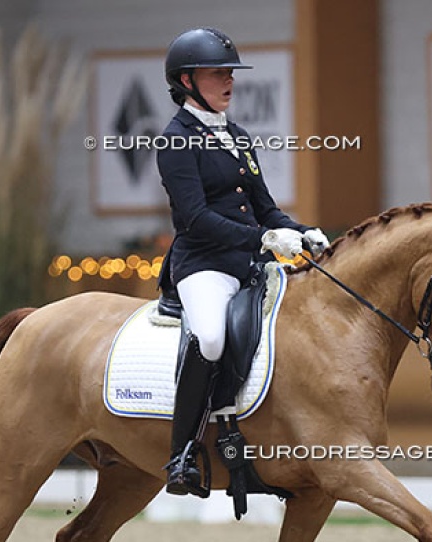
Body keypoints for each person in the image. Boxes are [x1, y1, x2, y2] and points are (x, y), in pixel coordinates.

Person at [157, 27, 330, 496]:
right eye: (218, 74)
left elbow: (264, 207)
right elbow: (195, 219)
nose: (229, 81)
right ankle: (181, 455)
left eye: (230, 73)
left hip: (250, 265)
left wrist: (300, 230)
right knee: (211, 338)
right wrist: (264, 239)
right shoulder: (175, 141)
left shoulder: (236, 135)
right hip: (203, 265)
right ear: (188, 81)